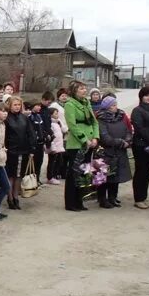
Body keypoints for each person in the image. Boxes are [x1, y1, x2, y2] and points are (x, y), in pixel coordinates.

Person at [64, 81, 100, 212]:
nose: (84, 91)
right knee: (74, 172)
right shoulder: (69, 104)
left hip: (90, 142)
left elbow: (94, 122)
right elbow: (72, 125)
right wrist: (84, 140)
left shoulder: (86, 103)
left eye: (85, 88)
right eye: (81, 88)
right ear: (74, 91)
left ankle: (80, 201)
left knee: (84, 172)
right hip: (76, 144)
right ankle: (71, 202)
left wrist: (95, 137)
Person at [96, 96, 132, 208]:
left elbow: (127, 130)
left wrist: (127, 140)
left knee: (116, 175)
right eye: (112, 105)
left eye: (116, 104)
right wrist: (120, 142)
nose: (115, 107)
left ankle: (113, 197)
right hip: (105, 151)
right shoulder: (101, 119)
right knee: (103, 177)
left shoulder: (121, 116)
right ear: (107, 107)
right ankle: (102, 199)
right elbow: (104, 137)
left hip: (119, 151)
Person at [4, 96, 36, 210]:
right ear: (10, 106)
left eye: (19, 105)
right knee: (10, 175)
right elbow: (5, 135)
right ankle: (10, 198)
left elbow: (30, 133)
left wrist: (32, 148)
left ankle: (16, 197)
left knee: (19, 175)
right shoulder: (7, 118)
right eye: (15, 105)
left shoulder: (24, 118)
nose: (17, 107)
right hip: (11, 151)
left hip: (23, 150)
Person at [46, 107, 66, 185]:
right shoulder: (50, 123)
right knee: (52, 162)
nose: (57, 115)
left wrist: (60, 123)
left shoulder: (58, 122)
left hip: (60, 145)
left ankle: (55, 175)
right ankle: (50, 177)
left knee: (58, 162)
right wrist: (52, 147)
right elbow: (51, 137)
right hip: (54, 146)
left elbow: (64, 130)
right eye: (55, 113)